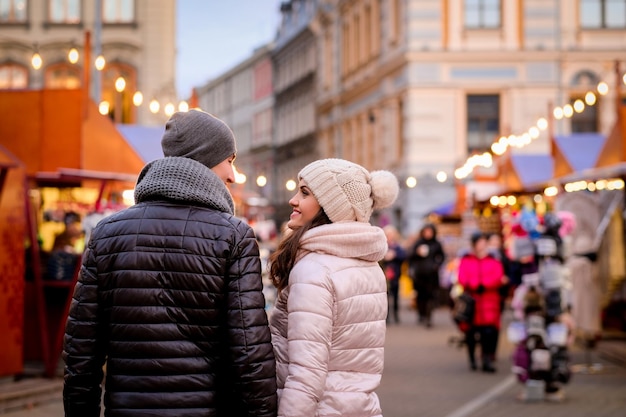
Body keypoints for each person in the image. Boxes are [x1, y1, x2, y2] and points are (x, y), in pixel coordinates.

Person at [62, 109, 277, 417]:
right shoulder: (233, 236)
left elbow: (81, 353)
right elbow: (248, 351)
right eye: (229, 160)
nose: (233, 175)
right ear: (203, 158)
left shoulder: (106, 234)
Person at [268, 158, 399, 417]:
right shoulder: (369, 266)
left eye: (304, 192)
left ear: (331, 207)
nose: (293, 200)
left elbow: (306, 375)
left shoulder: (313, 270)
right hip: (362, 408)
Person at [457, 232, 505, 373]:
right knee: (470, 333)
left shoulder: (494, 260)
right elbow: (462, 276)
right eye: (480, 242)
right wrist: (474, 285)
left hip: (489, 302)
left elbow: (498, 276)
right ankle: (472, 358)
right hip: (472, 303)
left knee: (488, 333)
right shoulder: (466, 260)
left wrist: (485, 284)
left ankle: (486, 359)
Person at [408, 223, 445, 327]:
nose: (428, 234)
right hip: (420, 274)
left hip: (432, 275)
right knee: (421, 296)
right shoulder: (418, 243)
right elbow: (410, 256)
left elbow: (442, 256)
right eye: (426, 232)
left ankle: (429, 316)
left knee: (431, 296)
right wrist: (417, 253)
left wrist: (437, 265)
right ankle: (421, 314)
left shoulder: (436, 244)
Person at [382, 224, 407, 324]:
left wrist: (395, 255)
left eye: (391, 234)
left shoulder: (397, 247)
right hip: (384, 275)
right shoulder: (382, 245)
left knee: (396, 296)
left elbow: (403, 256)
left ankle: (396, 315)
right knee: (385, 296)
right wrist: (385, 257)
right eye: (388, 234)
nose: (390, 236)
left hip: (395, 274)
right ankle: (386, 316)